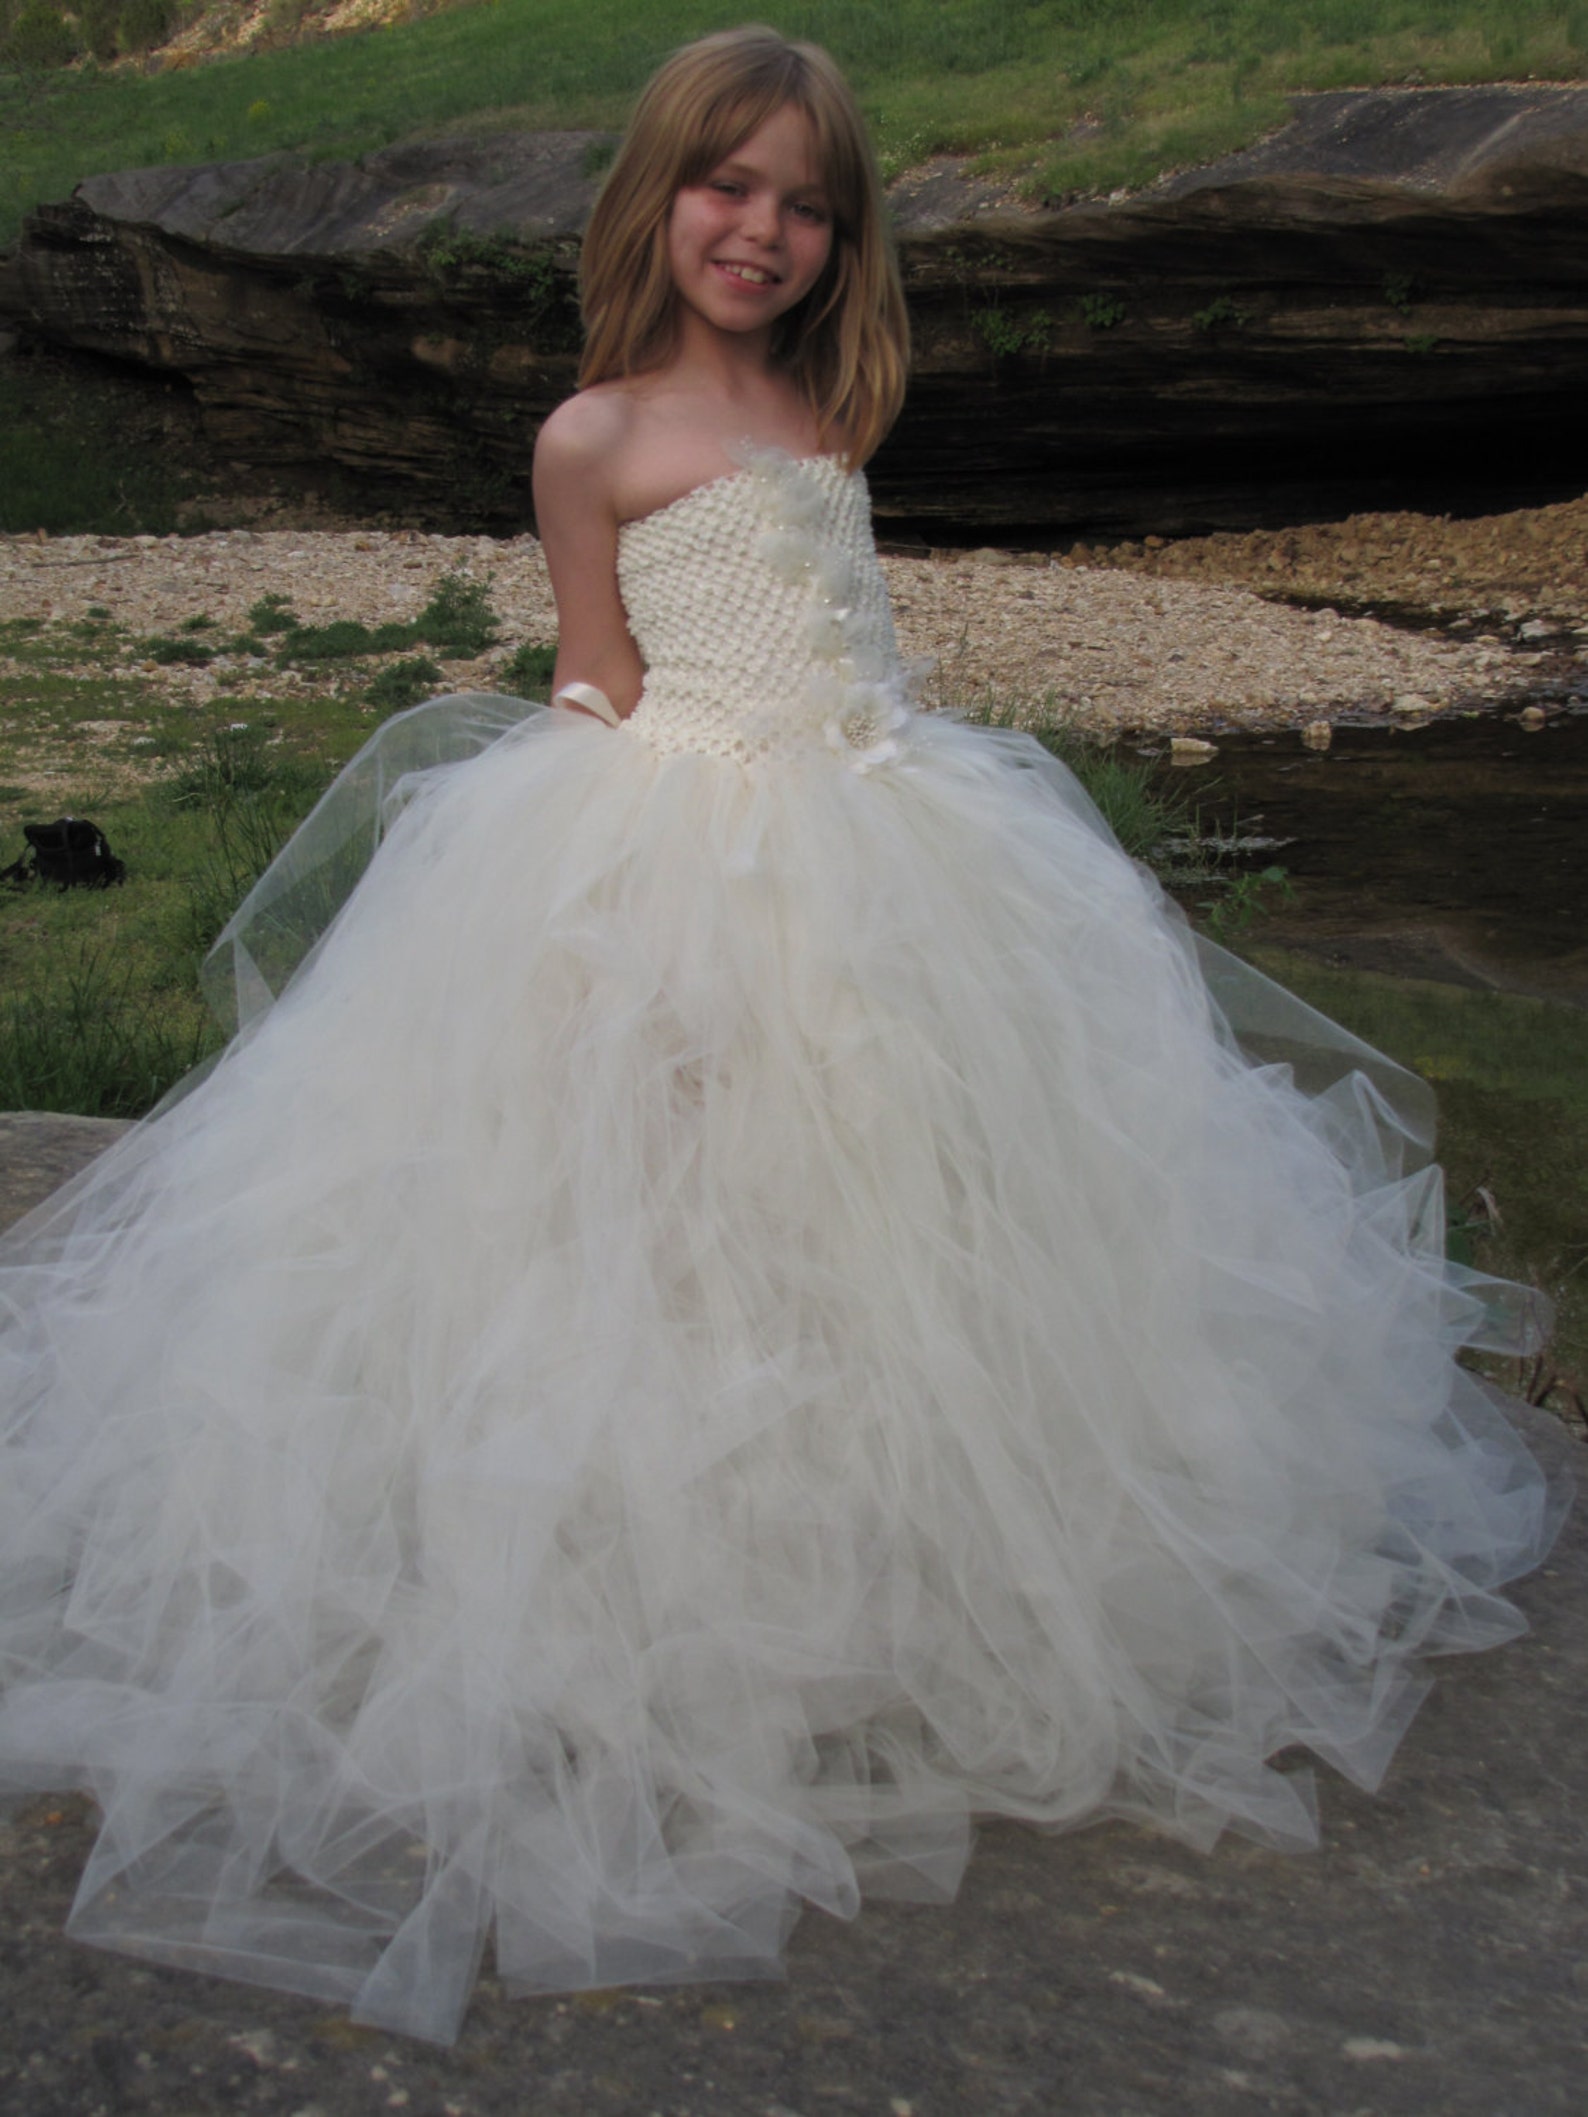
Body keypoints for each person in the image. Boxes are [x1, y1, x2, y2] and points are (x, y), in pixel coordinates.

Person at [0, 25, 1565, 2050]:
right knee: (673, 1217)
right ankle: (660, 1600)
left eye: (802, 202)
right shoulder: (596, 435)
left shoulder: (827, 404)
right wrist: (577, 929)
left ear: (841, 238)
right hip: (686, 842)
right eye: (724, 185)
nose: (758, 228)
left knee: (920, 1207)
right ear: (653, 196)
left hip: (891, 831)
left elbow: (846, 636)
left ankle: (903, 1571)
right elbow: (594, 672)